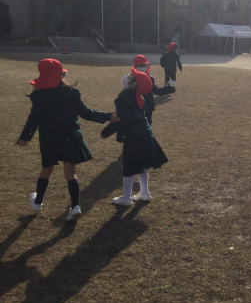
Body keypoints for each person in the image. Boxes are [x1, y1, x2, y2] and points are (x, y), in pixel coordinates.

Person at [16, 59, 119, 220]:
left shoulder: (38, 95)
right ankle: (75, 206)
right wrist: (108, 116)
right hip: (70, 137)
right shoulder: (72, 92)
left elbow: (33, 119)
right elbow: (86, 113)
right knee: (70, 173)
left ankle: (38, 202)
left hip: (49, 138)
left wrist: (24, 137)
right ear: (61, 74)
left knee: (46, 169)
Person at [101, 68, 168, 206]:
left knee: (129, 166)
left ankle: (126, 198)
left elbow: (122, 119)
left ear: (134, 83)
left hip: (134, 136)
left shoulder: (124, 96)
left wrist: (106, 132)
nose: (129, 75)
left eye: (132, 75)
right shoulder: (138, 95)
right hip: (146, 134)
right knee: (142, 165)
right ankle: (144, 192)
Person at [132, 55, 175, 124]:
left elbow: (156, 91)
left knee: (148, 125)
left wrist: (169, 88)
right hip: (136, 107)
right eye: (140, 65)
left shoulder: (149, 78)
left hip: (148, 107)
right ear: (135, 67)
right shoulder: (131, 78)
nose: (143, 67)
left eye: (144, 65)